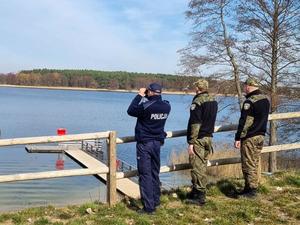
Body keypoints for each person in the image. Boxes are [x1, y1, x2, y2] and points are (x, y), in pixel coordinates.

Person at [127, 83, 171, 214]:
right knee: (154, 173)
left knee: (145, 174)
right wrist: (147, 96)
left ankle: (148, 208)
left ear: (150, 92)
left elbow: (131, 110)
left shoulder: (146, 106)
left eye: (148, 91)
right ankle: (156, 201)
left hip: (145, 144)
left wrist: (140, 95)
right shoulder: (167, 106)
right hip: (157, 143)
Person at [234, 78, 270, 198]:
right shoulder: (265, 99)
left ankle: (251, 191)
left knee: (248, 163)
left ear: (248, 86)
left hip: (250, 136)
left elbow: (245, 122)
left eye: (245, 86)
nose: (244, 88)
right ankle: (248, 187)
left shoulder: (250, 102)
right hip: (261, 135)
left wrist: (238, 137)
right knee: (254, 162)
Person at [186, 79, 218, 205]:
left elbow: (195, 123)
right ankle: (197, 191)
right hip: (209, 137)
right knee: (203, 165)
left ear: (198, 88)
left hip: (199, 138)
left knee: (197, 167)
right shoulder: (213, 100)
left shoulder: (197, 102)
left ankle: (199, 196)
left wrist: (191, 142)